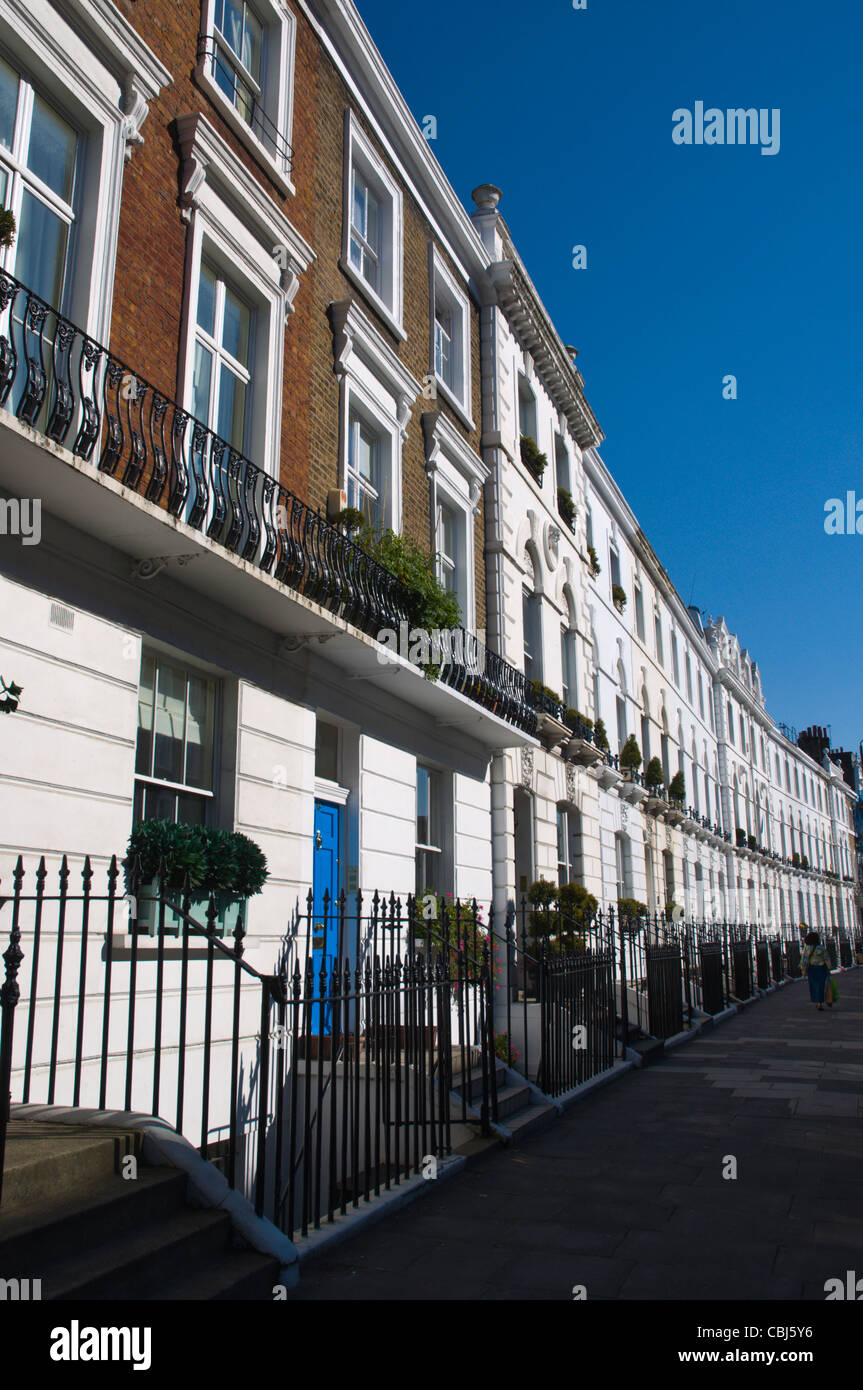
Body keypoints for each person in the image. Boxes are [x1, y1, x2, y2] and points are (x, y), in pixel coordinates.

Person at [800, 930, 831, 1010]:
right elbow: (827, 958)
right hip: (822, 968)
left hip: (812, 969)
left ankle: (816, 1001)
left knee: (814, 985)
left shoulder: (807, 949)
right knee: (821, 985)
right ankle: (820, 1002)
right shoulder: (821, 948)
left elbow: (804, 959)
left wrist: (803, 969)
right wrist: (829, 968)